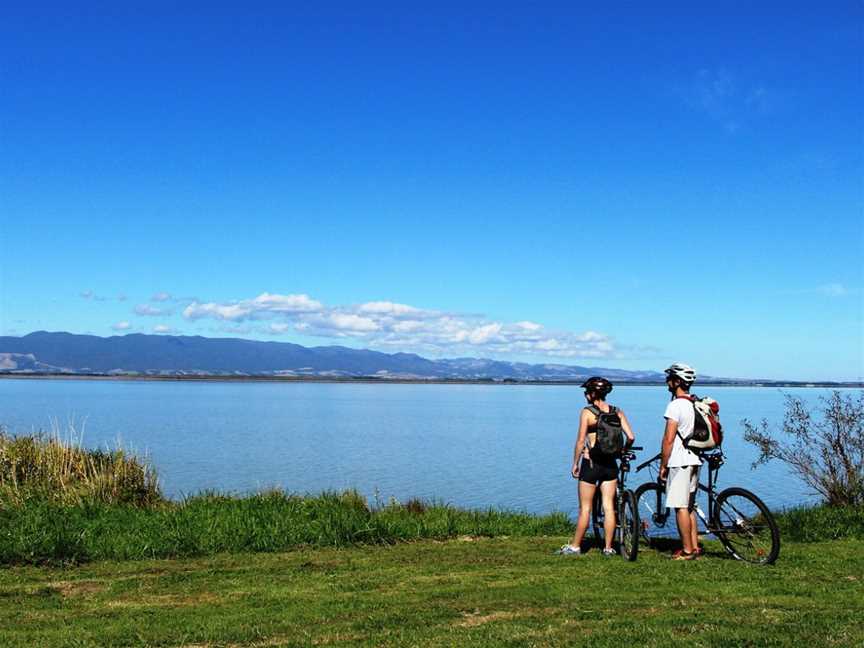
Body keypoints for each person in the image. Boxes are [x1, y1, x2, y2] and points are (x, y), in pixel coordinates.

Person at [557, 376, 635, 556]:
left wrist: (575, 463)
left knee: (585, 508)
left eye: (586, 392)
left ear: (593, 393)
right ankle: (608, 548)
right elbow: (631, 437)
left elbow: (579, 441)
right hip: (610, 464)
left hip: (591, 463)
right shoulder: (617, 411)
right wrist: (622, 451)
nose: (585, 395)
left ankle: (575, 546)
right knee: (609, 506)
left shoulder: (587, 412)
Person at [659, 362, 702, 560]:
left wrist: (663, 465)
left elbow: (668, 439)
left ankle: (686, 551)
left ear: (677, 381)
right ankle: (694, 547)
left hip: (679, 460)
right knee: (689, 505)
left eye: (670, 378)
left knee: (680, 507)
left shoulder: (675, 405)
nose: (667, 382)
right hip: (694, 459)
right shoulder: (694, 403)